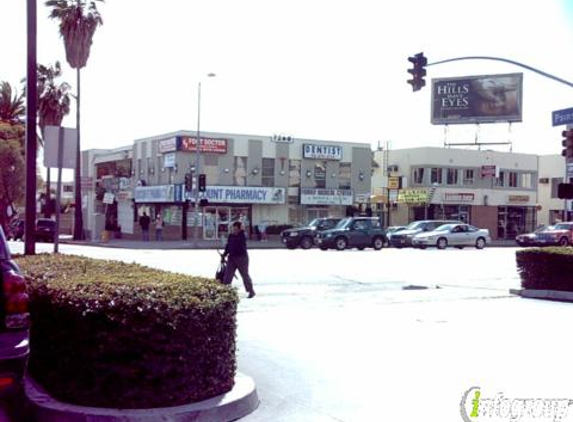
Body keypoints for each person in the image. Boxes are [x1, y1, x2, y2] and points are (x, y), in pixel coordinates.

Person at [223, 221, 256, 298]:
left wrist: (242, 229)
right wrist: (224, 254)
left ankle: (251, 291)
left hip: (241, 258)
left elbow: (242, 241)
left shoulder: (243, 235)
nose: (234, 230)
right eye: (233, 229)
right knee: (228, 275)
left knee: (244, 275)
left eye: (236, 229)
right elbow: (228, 246)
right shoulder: (231, 236)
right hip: (232, 258)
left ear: (239, 229)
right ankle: (224, 291)